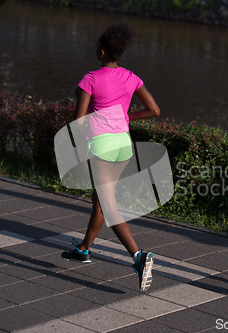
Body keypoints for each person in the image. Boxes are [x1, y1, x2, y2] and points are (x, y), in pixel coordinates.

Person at [61, 24, 160, 292]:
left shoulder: (90, 79)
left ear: (101, 51)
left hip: (102, 147)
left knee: (108, 204)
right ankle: (83, 249)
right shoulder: (130, 77)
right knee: (100, 201)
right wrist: (128, 117)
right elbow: (154, 110)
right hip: (122, 147)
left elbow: (79, 121)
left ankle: (138, 257)